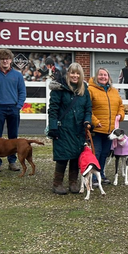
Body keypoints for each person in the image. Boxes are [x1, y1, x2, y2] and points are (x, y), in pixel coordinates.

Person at [47, 63, 92, 194]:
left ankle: (73, 182)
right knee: (62, 156)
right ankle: (57, 183)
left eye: (77, 73)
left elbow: (88, 108)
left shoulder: (84, 90)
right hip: (63, 128)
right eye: (72, 73)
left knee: (76, 156)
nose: (75, 76)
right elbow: (53, 110)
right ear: (68, 74)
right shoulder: (60, 89)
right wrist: (53, 127)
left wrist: (87, 121)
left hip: (78, 129)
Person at [0, 48, 26, 171]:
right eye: (2, 59)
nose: (5, 61)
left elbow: (22, 92)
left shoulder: (17, 75)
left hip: (13, 107)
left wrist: (18, 106)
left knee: (13, 136)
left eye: (7, 59)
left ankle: (12, 161)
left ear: (11, 60)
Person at [88, 67, 126, 185]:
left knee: (105, 153)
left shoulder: (114, 91)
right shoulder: (90, 90)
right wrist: (95, 121)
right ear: (96, 76)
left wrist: (120, 115)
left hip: (110, 130)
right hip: (97, 129)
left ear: (108, 77)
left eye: (105, 75)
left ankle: (101, 174)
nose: (103, 77)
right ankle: (93, 177)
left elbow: (121, 106)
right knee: (96, 153)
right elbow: (87, 108)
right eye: (100, 75)